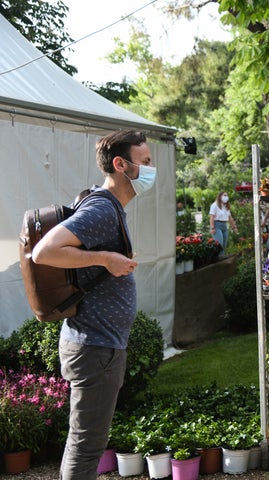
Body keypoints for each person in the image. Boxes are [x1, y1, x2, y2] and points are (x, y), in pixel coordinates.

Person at [31, 130, 155, 479]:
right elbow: (44, 252)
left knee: (86, 444)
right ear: (120, 164)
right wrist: (106, 259)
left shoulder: (105, 205)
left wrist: (107, 260)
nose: (150, 170)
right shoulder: (102, 207)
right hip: (94, 346)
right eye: (145, 162)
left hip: (97, 345)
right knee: (86, 448)